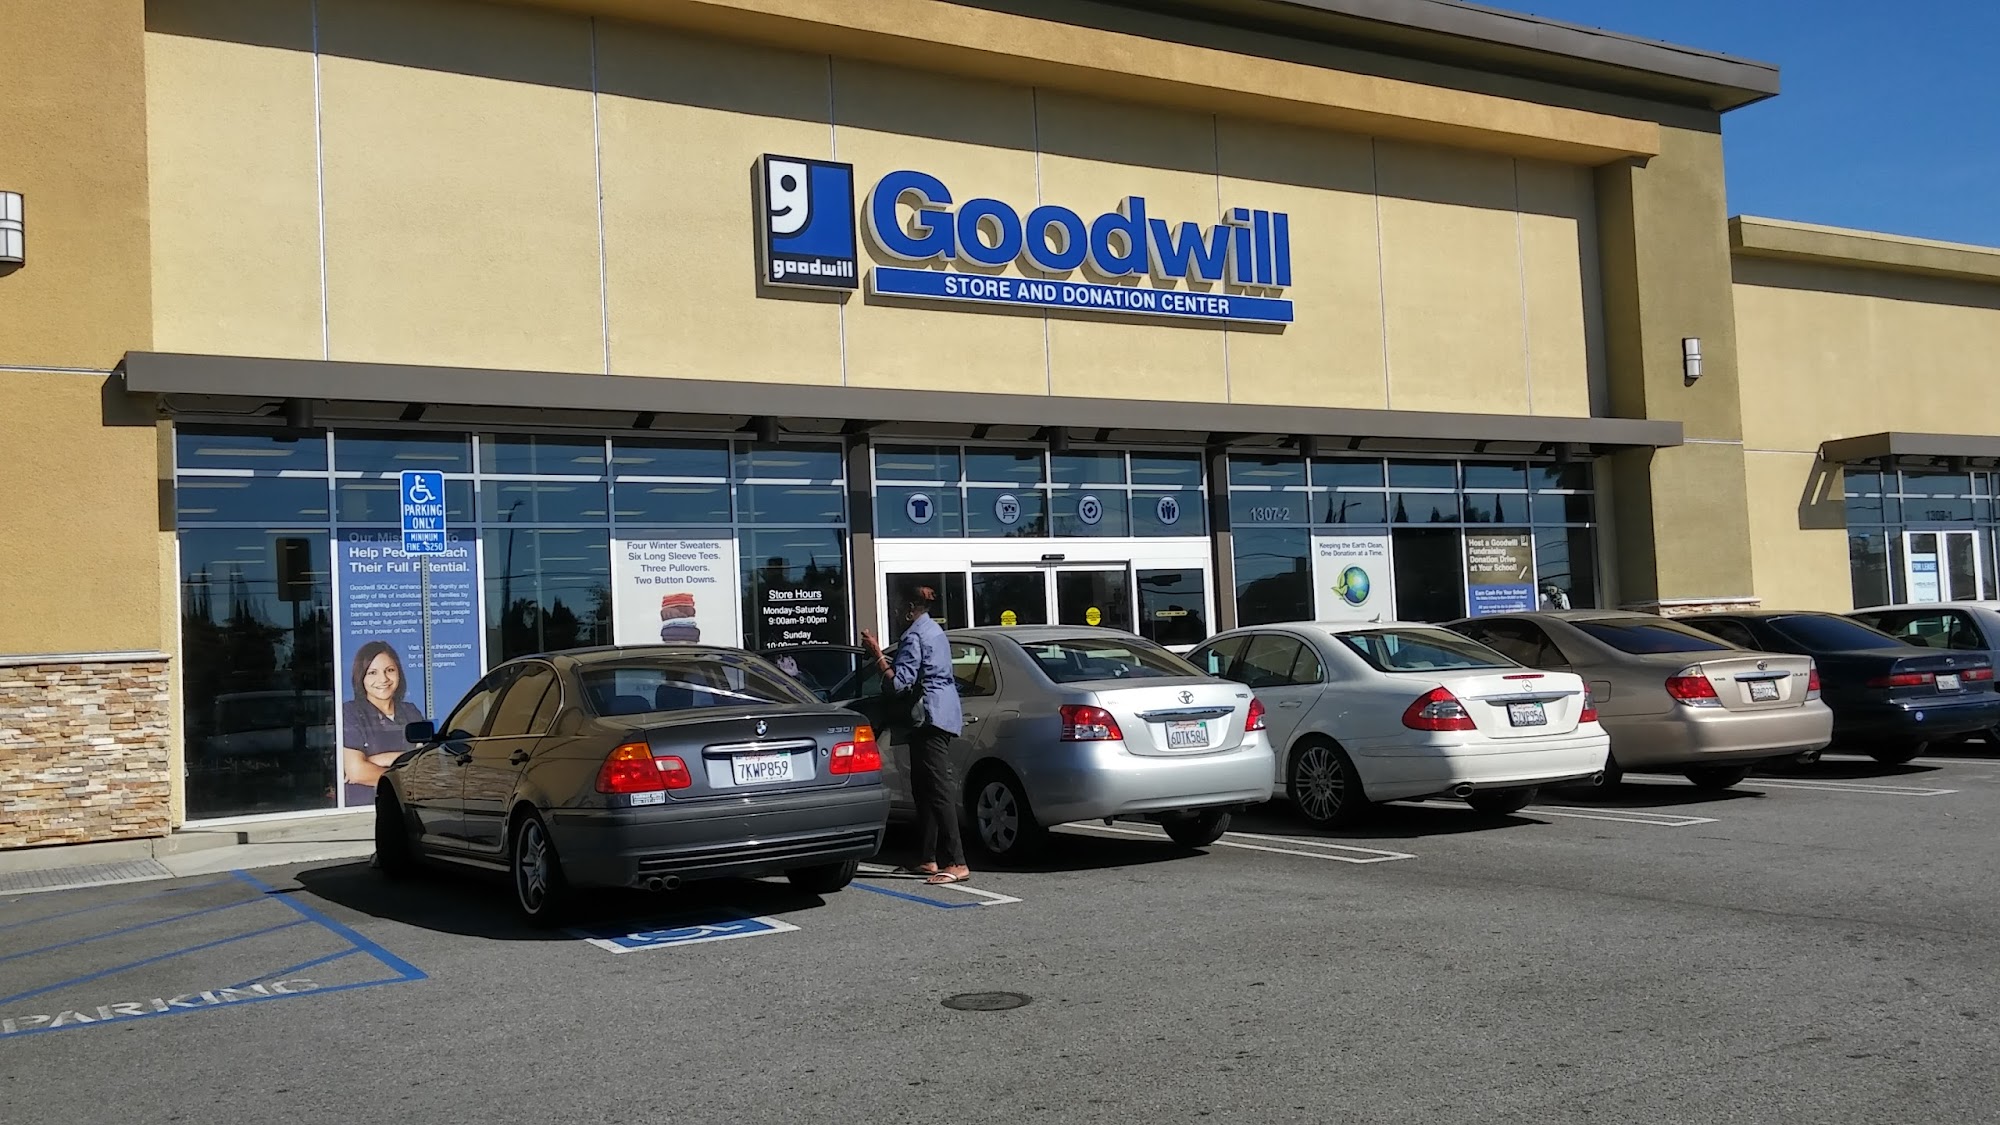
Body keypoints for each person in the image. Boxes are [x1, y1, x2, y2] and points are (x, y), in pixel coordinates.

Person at [861, 589, 969, 885]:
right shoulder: (934, 630)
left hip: (928, 717)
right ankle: (928, 857)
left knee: (937, 788)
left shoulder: (913, 636)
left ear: (910, 608)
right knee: (924, 788)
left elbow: (899, 683)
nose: (895, 613)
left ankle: (957, 861)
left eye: (898, 607)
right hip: (944, 712)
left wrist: (877, 655)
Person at [341, 640, 425, 808]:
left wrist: (378, 760)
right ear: (361, 677)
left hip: (408, 807)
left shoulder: (410, 711)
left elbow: (424, 763)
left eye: (390, 670)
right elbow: (357, 772)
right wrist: (409, 779)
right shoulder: (351, 712)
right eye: (372, 672)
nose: (383, 679)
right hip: (365, 808)